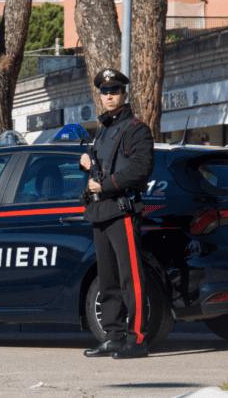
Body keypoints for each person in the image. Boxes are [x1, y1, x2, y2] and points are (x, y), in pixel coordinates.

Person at [79, 69, 154, 359]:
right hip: (100, 210)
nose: (108, 96)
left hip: (122, 208)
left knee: (130, 278)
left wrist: (106, 184)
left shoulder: (136, 128)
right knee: (107, 278)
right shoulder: (104, 130)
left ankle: (136, 340)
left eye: (114, 90)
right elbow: (102, 169)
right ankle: (113, 336)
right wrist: (87, 166)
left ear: (124, 93)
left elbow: (140, 169)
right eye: (104, 92)